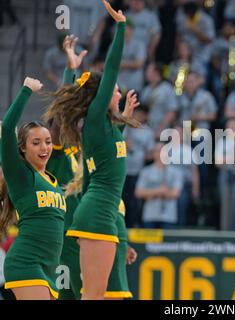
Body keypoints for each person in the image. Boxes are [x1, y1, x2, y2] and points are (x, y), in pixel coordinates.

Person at [43, 1, 136, 300]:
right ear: (103, 95)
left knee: (100, 296)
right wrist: (120, 28)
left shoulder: (107, 127)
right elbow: (110, 68)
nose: (118, 92)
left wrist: (125, 118)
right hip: (95, 213)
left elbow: (112, 155)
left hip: (104, 214)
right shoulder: (95, 119)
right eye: (115, 90)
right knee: (93, 297)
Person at [1, 77, 66, 300]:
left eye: (47, 141)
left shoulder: (53, 179)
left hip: (50, 267)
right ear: (23, 148)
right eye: (35, 142)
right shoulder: (20, 174)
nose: (44, 147)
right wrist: (26, 90)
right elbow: (8, 127)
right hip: (26, 261)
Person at [135, 142, 184, 229]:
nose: (160, 153)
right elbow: (138, 192)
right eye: (157, 151)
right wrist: (159, 191)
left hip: (169, 216)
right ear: (153, 154)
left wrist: (149, 194)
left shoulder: (176, 172)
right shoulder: (146, 171)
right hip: (149, 215)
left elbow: (176, 193)